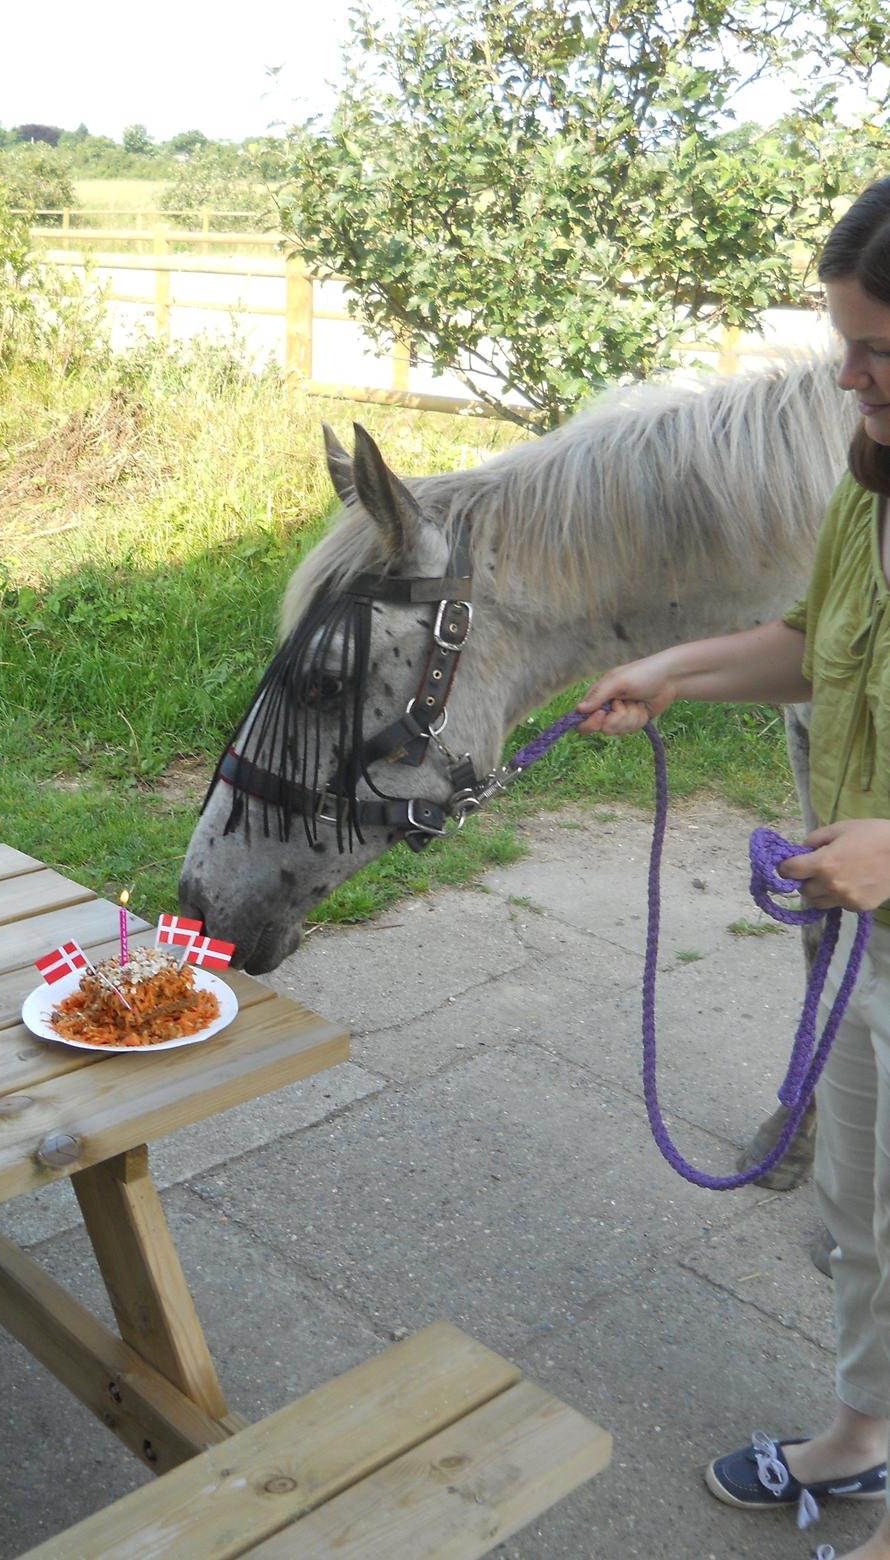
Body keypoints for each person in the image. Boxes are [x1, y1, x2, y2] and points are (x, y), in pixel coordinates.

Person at [577, 176, 890, 1560]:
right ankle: (864, 1442)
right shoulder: (867, 494)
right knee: (861, 1207)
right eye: (843, 345)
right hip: (858, 939)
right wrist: (672, 671)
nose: (850, 377)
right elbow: (804, 638)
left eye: (878, 352)